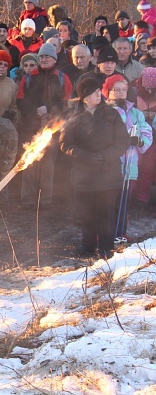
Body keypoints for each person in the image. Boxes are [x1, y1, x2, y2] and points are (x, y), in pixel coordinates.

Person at [60, 77, 130, 259]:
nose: (99, 94)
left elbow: (122, 140)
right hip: (84, 174)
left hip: (109, 172)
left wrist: (105, 156)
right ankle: (88, 245)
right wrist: (86, 157)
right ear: (84, 97)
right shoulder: (74, 117)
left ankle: (106, 247)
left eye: (99, 90)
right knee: (87, 213)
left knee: (106, 212)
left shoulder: (111, 114)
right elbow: (65, 144)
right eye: (93, 92)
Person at [17, 43, 72, 207]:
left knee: (48, 164)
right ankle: (27, 198)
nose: (44, 59)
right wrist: (35, 111)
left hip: (52, 127)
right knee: (28, 162)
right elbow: (20, 100)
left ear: (54, 58)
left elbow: (68, 102)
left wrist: (49, 109)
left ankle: (45, 199)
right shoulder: (28, 77)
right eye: (41, 56)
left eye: (47, 56)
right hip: (30, 126)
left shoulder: (62, 77)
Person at [103, 75, 152, 239]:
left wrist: (140, 141)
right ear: (108, 92)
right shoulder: (104, 112)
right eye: (116, 89)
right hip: (111, 165)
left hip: (130, 164)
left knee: (125, 202)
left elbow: (146, 130)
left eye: (123, 89)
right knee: (109, 201)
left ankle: (121, 232)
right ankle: (105, 234)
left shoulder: (136, 113)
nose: (120, 93)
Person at [134, 68, 156, 213]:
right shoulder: (134, 92)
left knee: (148, 168)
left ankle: (142, 199)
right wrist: (141, 115)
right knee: (135, 166)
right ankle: (132, 198)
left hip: (153, 137)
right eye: (147, 86)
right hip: (137, 136)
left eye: (152, 87)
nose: (149, 89)